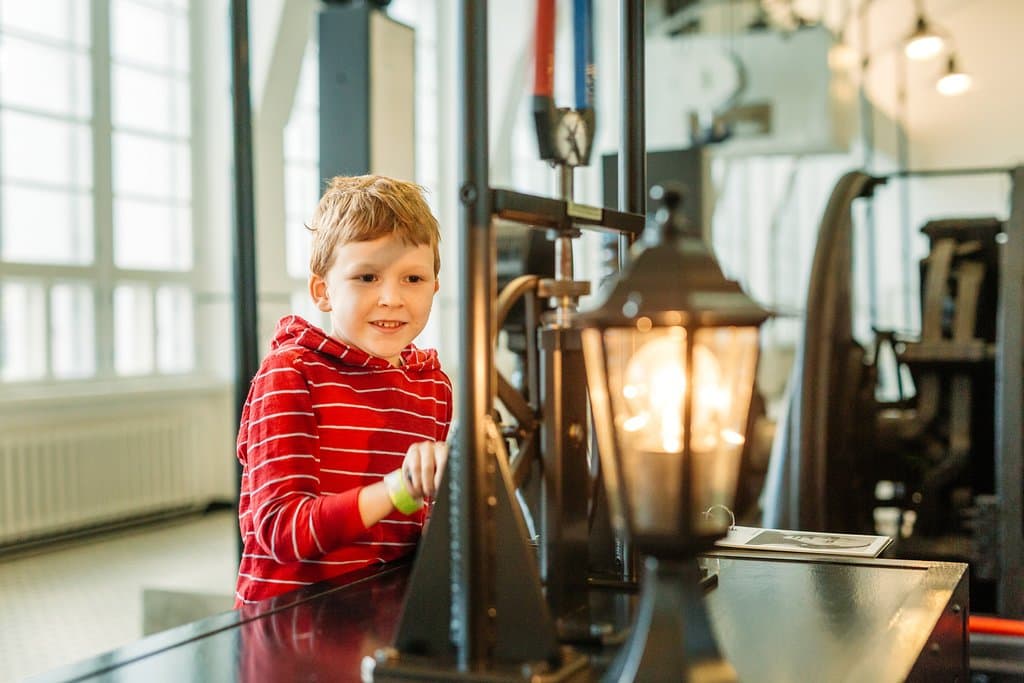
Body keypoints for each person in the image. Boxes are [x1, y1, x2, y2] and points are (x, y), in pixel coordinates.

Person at [234, 175, 452, 606]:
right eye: (367, 277)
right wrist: (401, 489)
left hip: (378, 608)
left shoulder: (432, 386)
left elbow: (415, 522)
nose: (391, 298)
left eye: (413, 278)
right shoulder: (291, 374)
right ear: (323, 291)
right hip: (289, 618)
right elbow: (281, 531)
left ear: (434, 286)